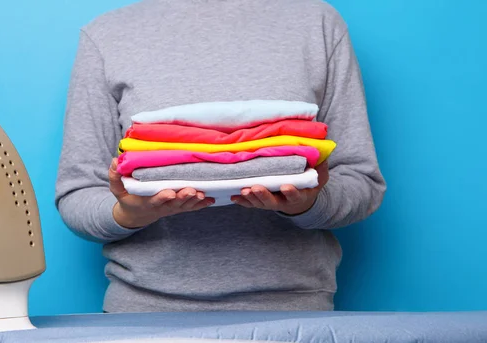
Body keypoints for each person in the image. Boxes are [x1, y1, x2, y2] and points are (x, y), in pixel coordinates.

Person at [55, 0, 386, 313]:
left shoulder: (317, 23)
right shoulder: (107, 35)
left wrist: (307, 204)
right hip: (143, 315)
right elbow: (78, 193)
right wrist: (130, 214)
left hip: (294, 313)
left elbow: (361, 181)